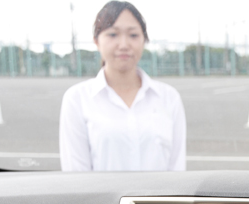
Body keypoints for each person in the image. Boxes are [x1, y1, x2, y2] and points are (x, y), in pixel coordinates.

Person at [59, 1, 186, 171]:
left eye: (133, 35)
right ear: (96, 41)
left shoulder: (169, 97)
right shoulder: (77, 99)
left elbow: (177, 169)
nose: (124, 45)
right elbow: (75, 174)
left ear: (144, 40)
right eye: (113, 34)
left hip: (160, 191)